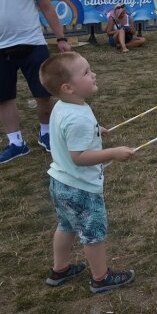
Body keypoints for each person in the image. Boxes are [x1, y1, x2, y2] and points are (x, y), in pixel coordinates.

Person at [38, 52, 136, 293]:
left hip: (60, 182)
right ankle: (100, 278)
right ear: (68, 87)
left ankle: (59, 269)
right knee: (93, 234)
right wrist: (112, 152)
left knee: (66, 226)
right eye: (85, 72)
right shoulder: (77, 118)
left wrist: (94, 130)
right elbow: (79, 157)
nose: (93, 74)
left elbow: (66, 133)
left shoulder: (63, 105)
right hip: (80, 187)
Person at [0, 0, 72, 164]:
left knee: (44, 93)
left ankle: (46, 134)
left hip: (33, 43)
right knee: (4, 97)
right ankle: (16, 143)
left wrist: (60, 38)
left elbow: (47, 8)